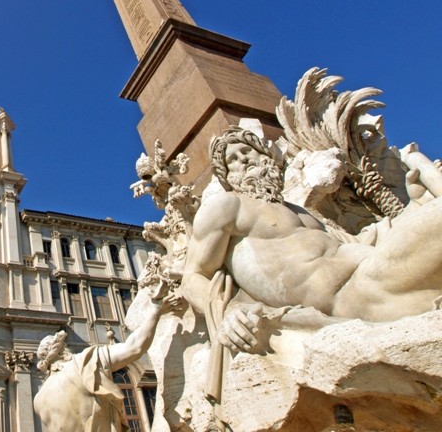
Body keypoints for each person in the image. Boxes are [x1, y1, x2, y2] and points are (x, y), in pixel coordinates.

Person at [181, 127, 442, 353]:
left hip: (373, 271)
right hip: (351, 294)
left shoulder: (300, 211)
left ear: (265, 156)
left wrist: (414, 205)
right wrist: (224, 312)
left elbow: (360, 242)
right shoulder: (227, 206)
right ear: (227, 177)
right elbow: (192, 275)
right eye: (233, 161)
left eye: (247, 152)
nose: (243, 161)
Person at [33, 295, 176, 431]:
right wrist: (155, 312)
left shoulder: (39, 399)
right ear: (61, 351)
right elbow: (135, 347)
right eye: (66, 346)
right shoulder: (84, 363)